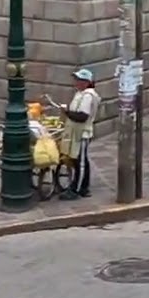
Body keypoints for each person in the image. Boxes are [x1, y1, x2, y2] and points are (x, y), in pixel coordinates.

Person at [59, 68, 102, 200]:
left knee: (80, 162)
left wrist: (67, 112)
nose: (76, 82)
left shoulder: (88, 96)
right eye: (76, 79)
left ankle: (76, 189)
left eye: (79, 80)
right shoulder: (80, 94)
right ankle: (83, 187)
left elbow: (82, 116)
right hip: (76, 133)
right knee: (80, 160)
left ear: (86, 82)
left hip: (82, 133)